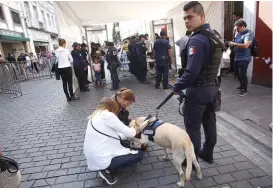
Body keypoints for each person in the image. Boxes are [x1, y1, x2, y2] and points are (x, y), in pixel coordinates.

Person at [172, 1, 224, 165]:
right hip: (213, 87)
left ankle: (192, 161)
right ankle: (207, 153)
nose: (186, 21)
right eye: (184, 18)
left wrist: (177, 86)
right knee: (209, 121)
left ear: (201, 16)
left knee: (192, 127)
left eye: (190, 17)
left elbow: (191, 72)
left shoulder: (197, 40)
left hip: (198, 90)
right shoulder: (214, 34)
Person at [84, 97, 143, 185]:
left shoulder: (95, 115)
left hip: (93, 155)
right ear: (112, 106)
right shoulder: (108, 116)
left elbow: (116, 135)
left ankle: (106, 166)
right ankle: (106, 169)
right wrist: (137, 129)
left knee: (130, 146)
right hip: (102, 158)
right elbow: (130, 133)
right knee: (139, 154)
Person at [227, 19, 253, 96]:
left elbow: (246, 45)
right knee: (237, 73)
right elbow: (235, 42)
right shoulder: (238, 34)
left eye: (238, 28)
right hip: (237, 57)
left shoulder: (249, 33)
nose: (237, 30)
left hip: (244, 57)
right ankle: (241, 85)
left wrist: (234, 44)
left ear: (243, 26)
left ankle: (245, 90)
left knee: (242, 74)